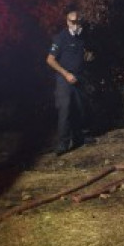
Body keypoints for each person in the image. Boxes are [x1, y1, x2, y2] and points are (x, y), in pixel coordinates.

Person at [46, 8, 95, 156]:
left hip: (80, 77)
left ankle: (82, 136)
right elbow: (50, 60)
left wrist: (88, 57)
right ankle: (63, 143)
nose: (76, 24)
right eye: (73, 22)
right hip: (64, 78)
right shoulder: (60, 38)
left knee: (81, 107)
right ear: (67, 22)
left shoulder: (82, 37)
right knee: (65, 109)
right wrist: (66, 74)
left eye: (78, 21)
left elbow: (84, 54)